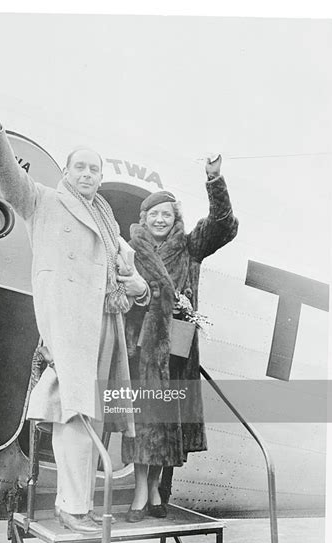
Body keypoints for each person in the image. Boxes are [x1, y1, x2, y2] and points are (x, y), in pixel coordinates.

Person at [0, 84, 149, 534]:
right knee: (75, 415)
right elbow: (6, 173)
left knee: (91, 417)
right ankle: (72, 508)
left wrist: (139, 286)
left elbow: (135, 275)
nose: (86, 174)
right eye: (79, 167)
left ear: (99, 178)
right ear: (66, 171)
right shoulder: (43, 201)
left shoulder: (107, 221)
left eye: (94, 169)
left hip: (106, 328)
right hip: (71, 328)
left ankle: (79, 505)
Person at [123, 155, 238, 522]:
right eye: (154, 214)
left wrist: (214, 179)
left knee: (166, 427)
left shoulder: (190, 248)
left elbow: (223, 224)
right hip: (139, 351)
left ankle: (155, 489)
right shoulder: (129, 252)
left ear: (176, 219)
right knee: (141, 426)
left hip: (175, 353)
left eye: (167, 215)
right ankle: (141, 492)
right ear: (144, 219)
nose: (160, 220)